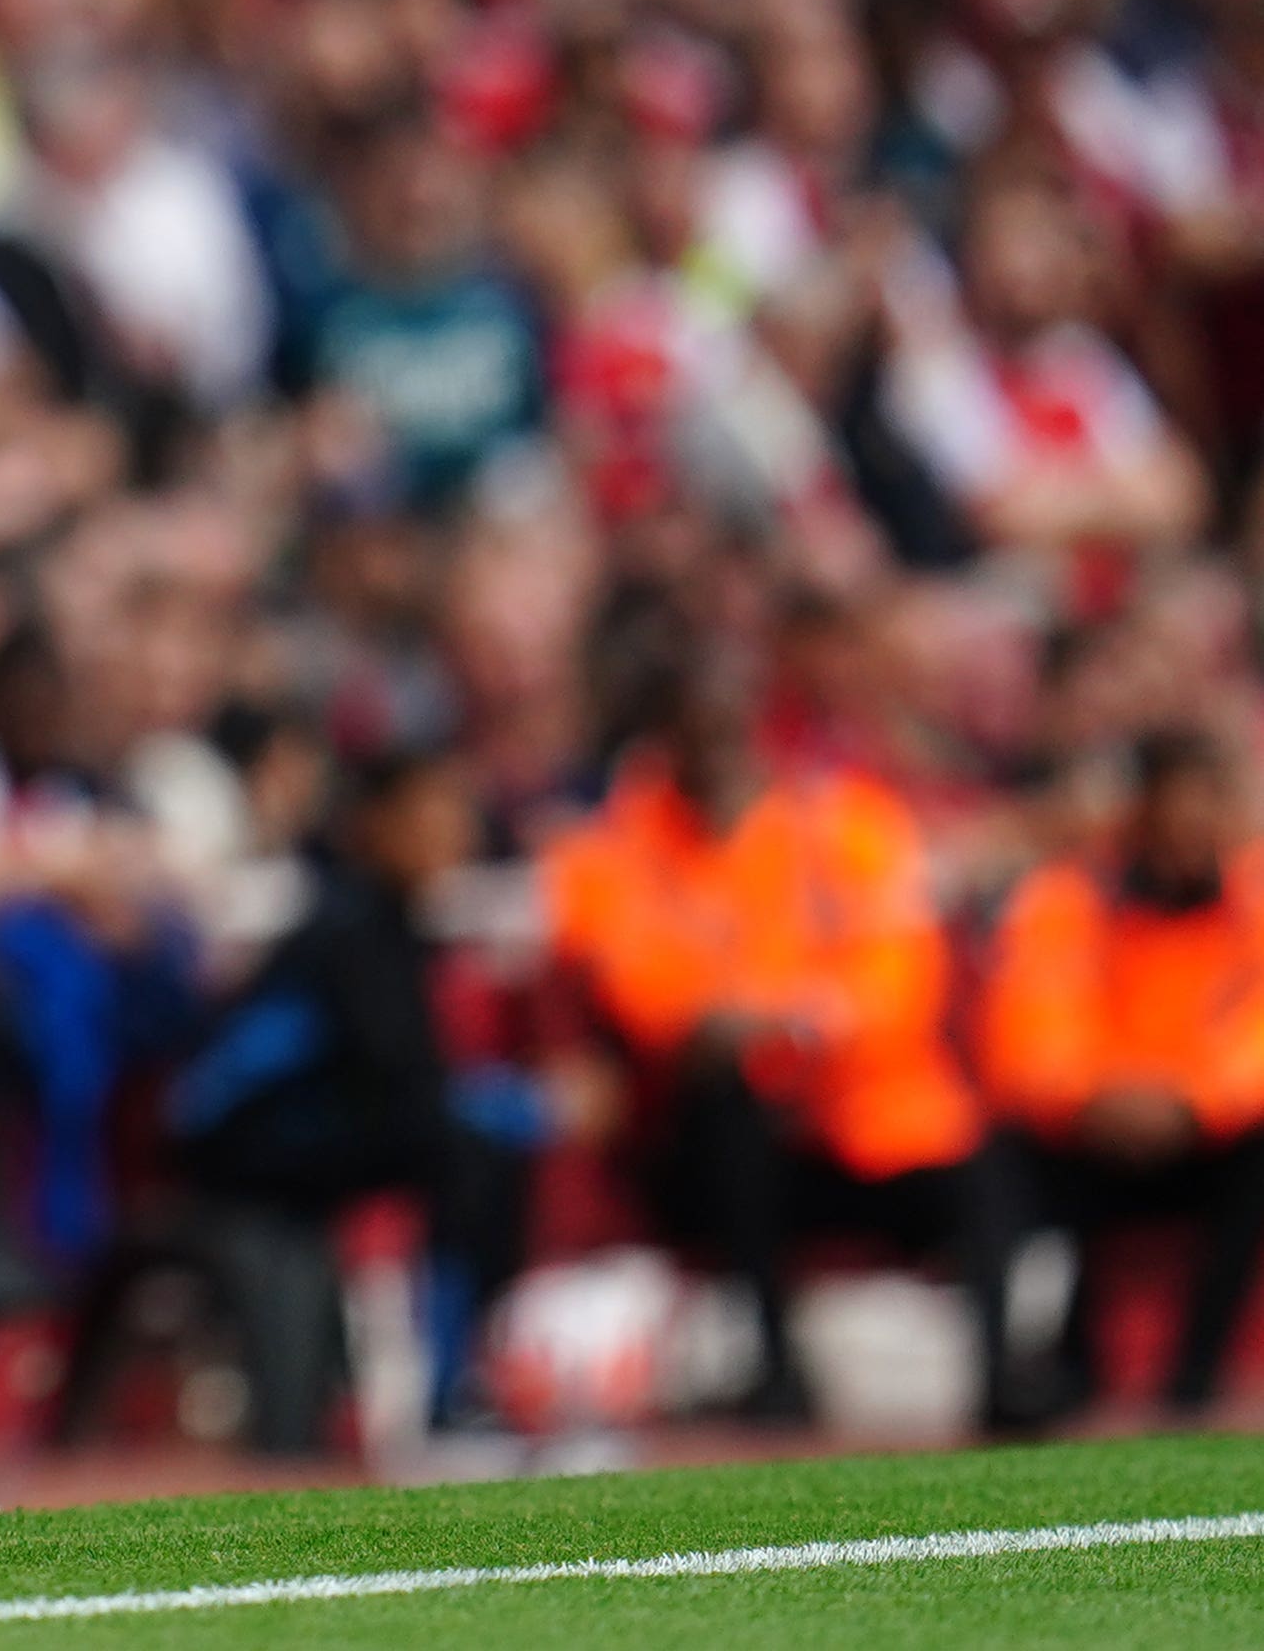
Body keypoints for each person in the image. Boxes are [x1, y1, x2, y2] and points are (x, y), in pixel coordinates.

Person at [544, 608, 1036, 1429]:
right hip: (715, 1132)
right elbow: (646, 990)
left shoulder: (846, 823)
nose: (720, 752)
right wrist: (761, 1026)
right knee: (731, 1112)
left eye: (733, 729)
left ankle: (1004, 1380)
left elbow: (899, 975)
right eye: (698, 732)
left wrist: (805, 1025)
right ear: (666, 739)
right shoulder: (614, 847)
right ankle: (777, 1371)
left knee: (986, 1162)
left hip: (857, 1110)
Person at [165, 746, 553, 1451]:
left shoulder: (390, 924)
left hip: (306, 1130)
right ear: (376, 824)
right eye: (428, 812)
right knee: (464, 1150)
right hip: (247, 1148)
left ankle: (460, 1377)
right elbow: (399, 1079)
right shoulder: (351, 930)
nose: (451, 831)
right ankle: (447, 1392)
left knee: (468, 1142)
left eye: (456, 811)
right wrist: (533, 1106)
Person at [978, 729, 1264, 1414]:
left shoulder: (1254, 901)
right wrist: (1097, 1099)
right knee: (993, 1164)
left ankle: (1195, 1377)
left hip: (1204, 1134)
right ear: (1138, 816)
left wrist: (1191, 1103)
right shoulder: (1064, 897)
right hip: (1090, 1131)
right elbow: (1031, 1026)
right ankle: (1020, 1377)